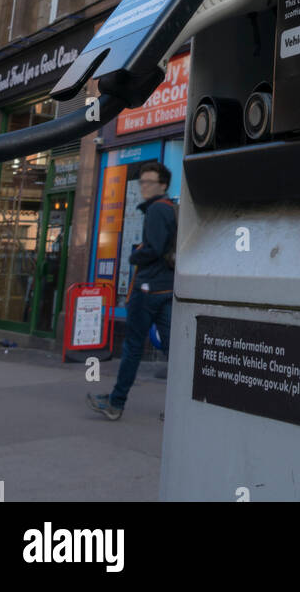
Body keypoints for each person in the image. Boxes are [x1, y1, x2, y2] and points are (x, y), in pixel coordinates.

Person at [86, 161, 176, 421]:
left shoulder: (158, 210)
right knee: (174, 350)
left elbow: (155, 249)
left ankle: (115, 402)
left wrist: (135, 255)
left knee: (133, 346)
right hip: (166, 288)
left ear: (163, 186)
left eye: (149, 183)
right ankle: (177, 409)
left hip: (148, 289)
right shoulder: (169, 209)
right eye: (142, 183)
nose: (144, 187)